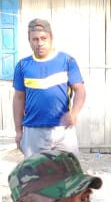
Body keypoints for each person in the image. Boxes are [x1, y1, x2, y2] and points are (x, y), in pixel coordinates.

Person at [13, 19, 86, 157]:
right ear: (29, 40)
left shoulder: (67, 61)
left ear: (51, 38)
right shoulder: (23, 65)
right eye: (35, 39)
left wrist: (74, 113)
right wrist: (18, 131)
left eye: (43, 38)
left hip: (63, 130)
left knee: (68, 169)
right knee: (36, 170)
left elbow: (80, 90)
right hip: (33, 130)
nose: (39, 43)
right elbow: (18, 98)